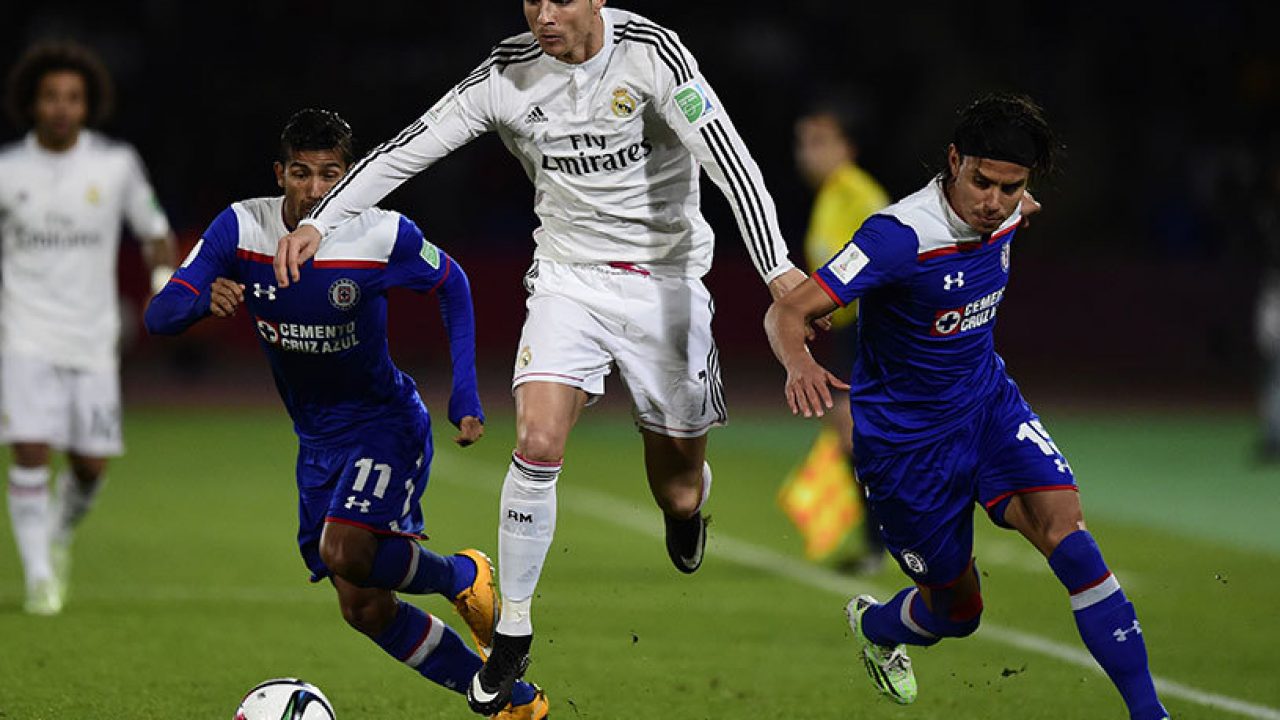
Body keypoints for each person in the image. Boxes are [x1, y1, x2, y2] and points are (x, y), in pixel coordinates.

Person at [271, 1, 806, 712]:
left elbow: (729, 161)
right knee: (537, 441)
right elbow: (409, 146)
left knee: (676, 487)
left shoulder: (652, 54)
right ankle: (512, 633)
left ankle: (687, 509)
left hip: (664, 282)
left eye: (560, 0)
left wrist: (777, 271)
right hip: (567, 280)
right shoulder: (508, 72)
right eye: (533, 1)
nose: (544, 15)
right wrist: (320, 221)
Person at [764, 94, 1170, 719]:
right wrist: (800, 364)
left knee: (1071, 539)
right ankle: (877, 627)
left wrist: (1016, 205)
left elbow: (1018, 210)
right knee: (958, 613)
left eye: (1012, 187)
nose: (994, 202)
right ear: (953, 161)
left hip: (988, 410)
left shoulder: (1007, 210)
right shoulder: (897, 237)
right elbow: (789, 310)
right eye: (982, 182)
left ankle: (1150, 713)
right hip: (906, 448)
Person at [144, 109, 548, 720]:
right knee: (363, 607)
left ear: (349, 175)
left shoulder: (378, 233)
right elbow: (160, 315)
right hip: (317, 442)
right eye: (300, 173)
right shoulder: (242, 227)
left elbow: (453, 284)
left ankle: (460, 576)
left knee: (345, 550)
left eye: (329, 174)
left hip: (385, 424)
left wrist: (464, 393)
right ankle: (514, 702)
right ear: (279, 174)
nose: (314, 189)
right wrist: (202, 301)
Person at [0, 40, 177, 615]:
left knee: (90, 467)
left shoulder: (115, 165)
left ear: (87, 104)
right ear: (32, 103)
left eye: (72, 97)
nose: (61, 107)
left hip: (93, 338)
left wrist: (163, 281)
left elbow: (155, 232)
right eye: (50, 96)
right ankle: (39, 575)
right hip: (22, 331)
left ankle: (56, 535)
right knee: (30, 450)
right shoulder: (7, 170)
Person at [779, 105, 890, 570]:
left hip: (873, 332)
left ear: (848, 147)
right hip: (848, 334)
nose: (807, 153)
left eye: (820, 142)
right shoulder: (830, 195)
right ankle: (878, 543)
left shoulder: (859, 196)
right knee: (850, 434)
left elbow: (886, 266)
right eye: (803, 142)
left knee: (861, 434)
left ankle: (885, 543)